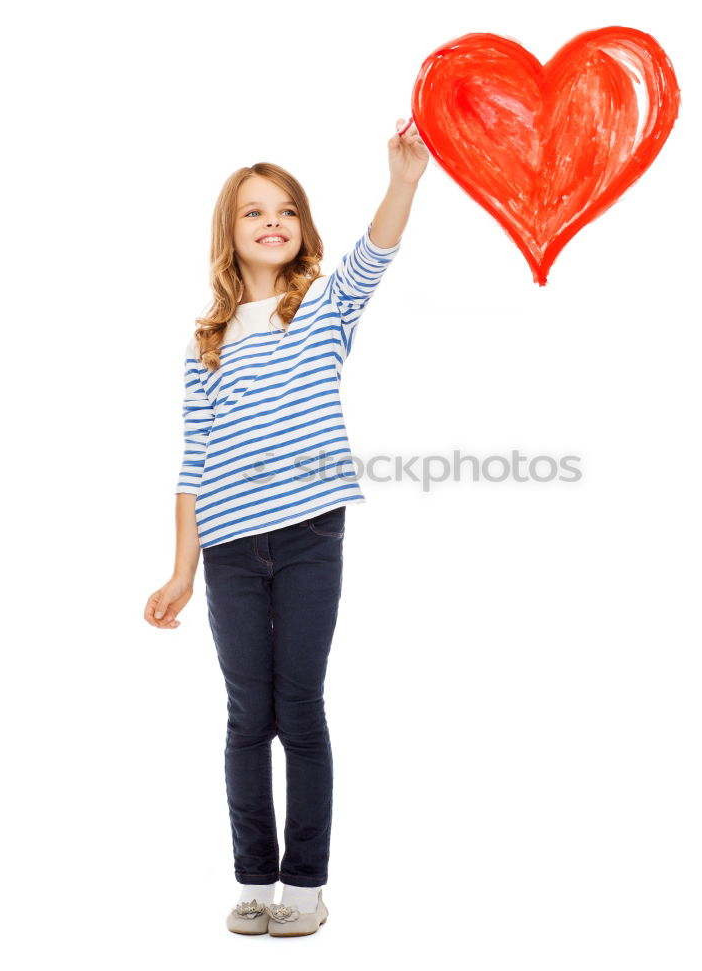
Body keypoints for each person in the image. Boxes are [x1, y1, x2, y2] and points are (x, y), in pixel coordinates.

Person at [144, 117, 429, 937]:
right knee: (247, 716)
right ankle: (252, 882)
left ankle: (304, 887)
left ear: (301, 227)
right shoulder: (206, 341)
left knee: (299, 710)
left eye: (286, 211)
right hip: (231, 549)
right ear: (228, 234)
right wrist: (181, 572)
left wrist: (402, 182)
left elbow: (373, 255)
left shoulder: (321, 308)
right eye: (252, 211)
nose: (272, 221)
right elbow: (192, 466)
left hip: (309, 537)